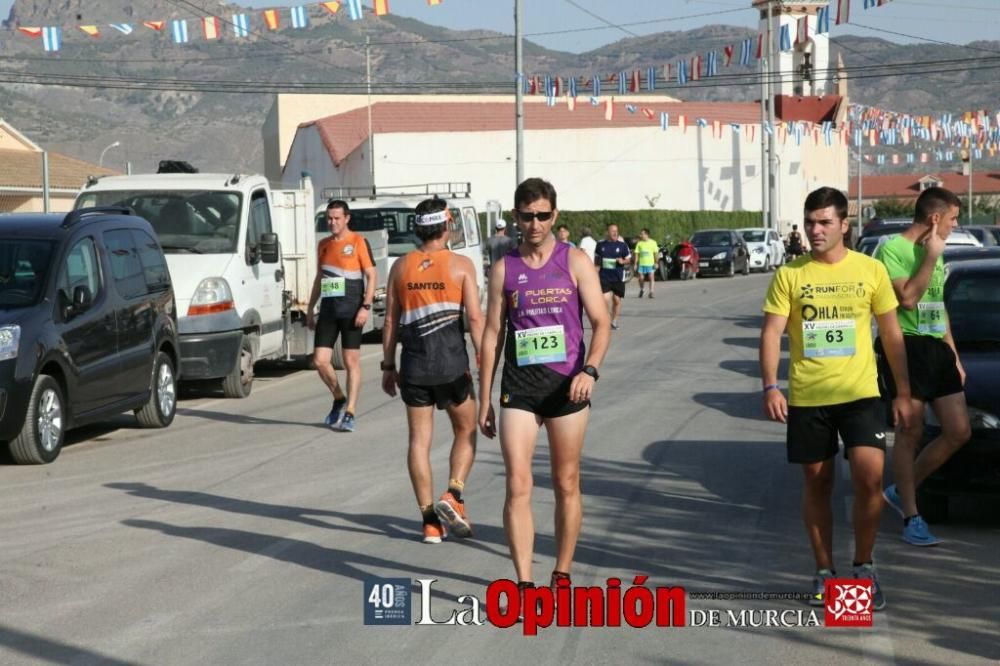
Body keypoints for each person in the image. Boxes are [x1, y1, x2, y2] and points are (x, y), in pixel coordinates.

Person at [759, 186, 915, 611]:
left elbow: (891, 332)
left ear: (845, 225)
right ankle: (825, 572)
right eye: (810, 222)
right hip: (810, 398)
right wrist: (771, 385)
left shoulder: (870, 270)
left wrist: (902, 391)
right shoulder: (791, 274)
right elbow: (772, 332)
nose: (815, 230)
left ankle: (863, 567)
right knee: (818, 483)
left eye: (825, 222)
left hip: (862, 394)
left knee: (869, 481)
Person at [479, 177, 611, 592]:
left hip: (567, 387)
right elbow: (491, 335)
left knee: (565, 482)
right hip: (519, 388)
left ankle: (563, 571)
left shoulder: (574, 262)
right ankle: (523, 583)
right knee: (518, 483)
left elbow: (602, 322)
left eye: (542, 215)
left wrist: (589, 370)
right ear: (516, 218)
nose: (534, 224)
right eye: (526, 216)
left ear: (554, 215)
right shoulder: (505, 269)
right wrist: (484, 399)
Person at [382, 198, 485, 544]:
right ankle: (453, 493)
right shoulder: (461, 265)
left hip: (413, 367)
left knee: (418, 442)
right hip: (453, 366)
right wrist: (483, 354)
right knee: (467, 430)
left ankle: (429, 523)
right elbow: (474, 318)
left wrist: (387, 365)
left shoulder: (400, 267)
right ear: (447, 225)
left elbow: (391, 321)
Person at [873, 187, 970, 547]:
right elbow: (909, 299)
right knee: (910, 431)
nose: (954, 226)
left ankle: (902, 488)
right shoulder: (893, 250)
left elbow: (936, 303)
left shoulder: (936, 251)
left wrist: (954, 355)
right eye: (953, 219)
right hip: (907, 346)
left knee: (959, 431)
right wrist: (929, 257)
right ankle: (912, 516)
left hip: (936, 350)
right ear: (934, 218)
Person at [306, 200, 377, 432]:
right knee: (320, 361)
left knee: (350, 362)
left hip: (352, 310)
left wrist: (365, 306)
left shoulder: (358, 242)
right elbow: (319, 278)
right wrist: (310, 308)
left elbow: (371, 275)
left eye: (337, 218)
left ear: (347, 218)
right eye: (329, 218)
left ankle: (350, 411)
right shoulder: (323, 244)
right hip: (328, 310)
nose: (332, 222)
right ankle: (338, 397)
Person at [594, 223, 631, 329]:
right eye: (612, 231)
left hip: (618, 276)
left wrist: (623, 261)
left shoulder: (622, 245)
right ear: (607, 232)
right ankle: (606, 319)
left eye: (616, 231)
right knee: (605, 299)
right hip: (604, 276)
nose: (615, 233)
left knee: (616, 300)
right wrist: (594, 273)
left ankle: (614, 321)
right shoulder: (600, 245)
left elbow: (628, 259)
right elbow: (597, 261)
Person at [633, 228, 659, 299]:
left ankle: (651, 292)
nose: (641, 235)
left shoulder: (653, 242)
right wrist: (635, 264)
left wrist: (656, 262)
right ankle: (642, 289)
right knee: (641, 278)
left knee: (651, 277)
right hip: (642, 264)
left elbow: (656, 254)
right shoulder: (639, 243)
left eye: (642, 234)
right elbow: (636, 254)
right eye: (641, 234)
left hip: (650, 264)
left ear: (647, 234)